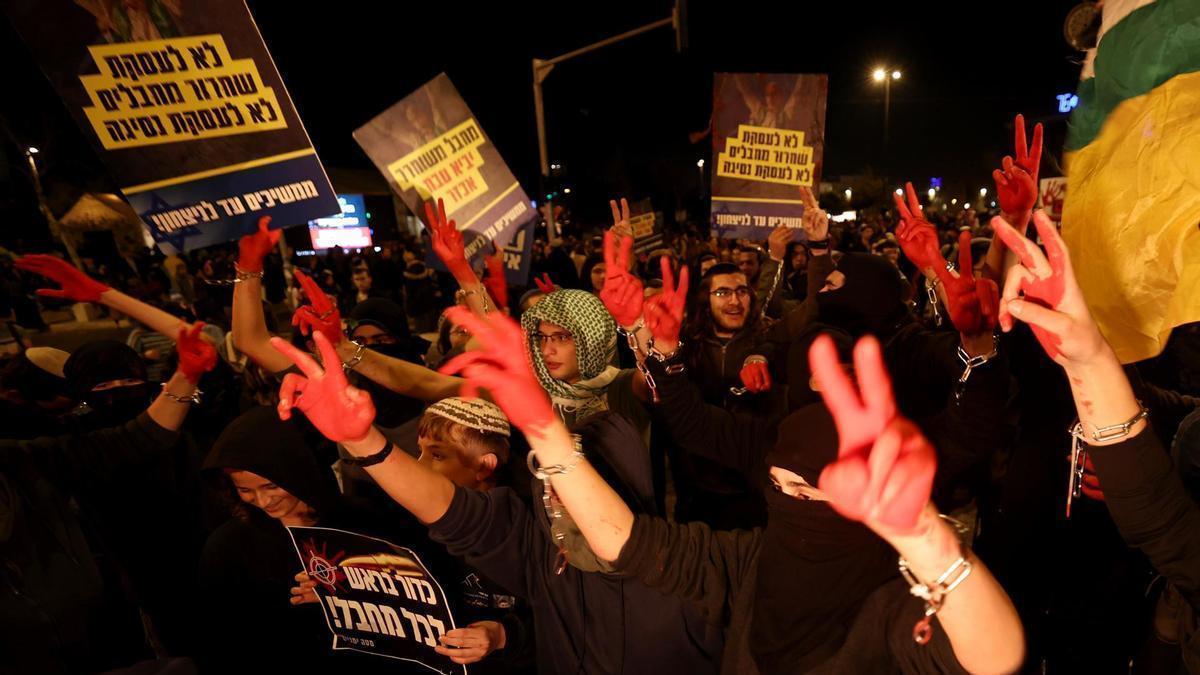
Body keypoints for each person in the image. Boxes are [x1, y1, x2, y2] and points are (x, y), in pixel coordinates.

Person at [437, 305, 1025, 675]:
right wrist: (545, 434)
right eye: (777, 486)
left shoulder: (891, 605)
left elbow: (994, 658)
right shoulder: (750, 561)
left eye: (805, 493)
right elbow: (627, 543)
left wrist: (925, 540)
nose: (785, 500)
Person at [270, 329, 722, 674]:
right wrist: (362, 442)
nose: (570, 507)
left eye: (587, 489)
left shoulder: (698, 574)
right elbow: (454, 513)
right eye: (554, 486)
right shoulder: (539, 545)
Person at [993, 210, 1200, 671]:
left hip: (1124, 571)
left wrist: (1137, 434)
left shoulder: (1177, 333)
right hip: (1047, 539)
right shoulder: (1061, 325)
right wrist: (1098, 368)